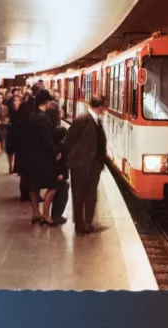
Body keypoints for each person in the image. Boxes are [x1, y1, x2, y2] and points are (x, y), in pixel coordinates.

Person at [64, 95, 113, 235]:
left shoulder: (97, 121)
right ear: (100, 107)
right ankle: (80, 225)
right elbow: (68, 141)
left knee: (91, 194)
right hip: (80, 166)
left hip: (94, 166)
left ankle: (88, 222)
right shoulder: (82, 120)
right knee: (79, 195)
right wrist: (74, 160)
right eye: (104, 106)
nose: (106, 110)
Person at [26, 90, 61, 226]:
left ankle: (36, 213)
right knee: (53, 186)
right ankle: (46, 215)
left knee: (34, 187)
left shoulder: (32, 116)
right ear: (46, 102)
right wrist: (56, 153)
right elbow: (47, 140)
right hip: (44, 158)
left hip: (32, 156)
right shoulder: (44, 118)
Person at [50, 125, 69, 225]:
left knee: (58, 196)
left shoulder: (55, 146)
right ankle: (57, 216)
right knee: (62, 196)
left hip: (58, 174)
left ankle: (55, 215)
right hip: (62, 175)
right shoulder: (62, 147)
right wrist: (61, 174)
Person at [6, 95, 22, 173]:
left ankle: (17, 166)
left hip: (19, 133)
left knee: (18, 150)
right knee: (10, 151)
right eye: (14, 100)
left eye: (17, 100)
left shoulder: (22, 111)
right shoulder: (10, 111)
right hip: (11, 132)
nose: (15, 102)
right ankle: (10, 166)